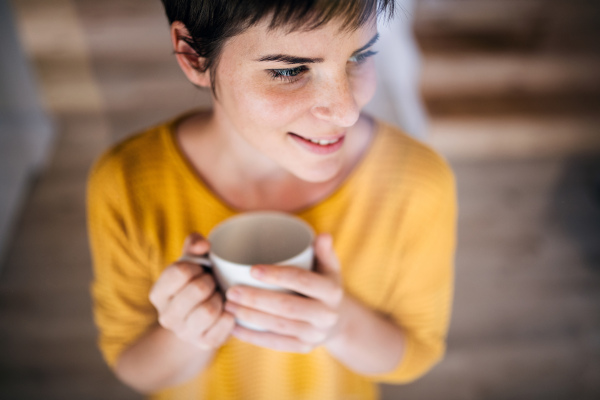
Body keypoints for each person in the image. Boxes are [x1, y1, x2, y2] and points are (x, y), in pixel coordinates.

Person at [87, 1, 457, 399]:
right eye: (290, 70)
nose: (347, 111)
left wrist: (338, 324)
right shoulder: (127, 183)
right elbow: (131, 363)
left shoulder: (418, 183)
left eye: (361, 55)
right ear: (194, 55)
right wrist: (187, 334)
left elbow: (416, 352)